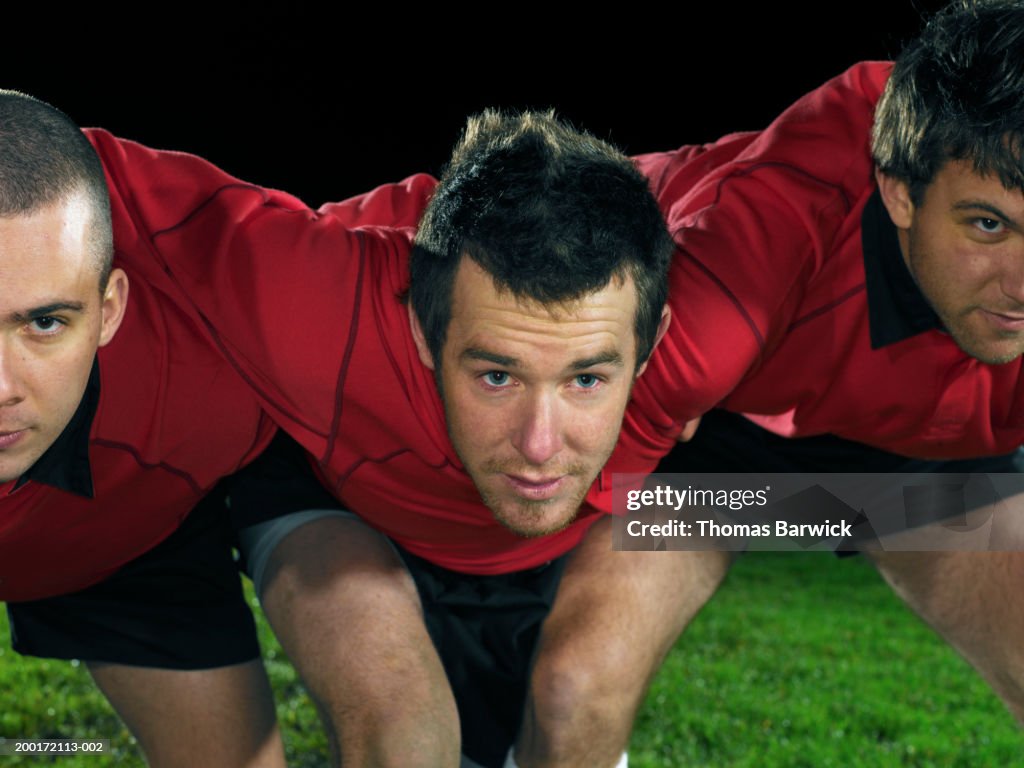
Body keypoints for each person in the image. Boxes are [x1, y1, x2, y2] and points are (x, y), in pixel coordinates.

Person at [83, 109, 696, 768]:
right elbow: (88, 168)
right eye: (496, 374)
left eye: (586, 379)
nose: (539, 443)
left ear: (653, 345)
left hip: (598, 519)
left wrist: (801, 517)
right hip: (338, 500)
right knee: (404, 734)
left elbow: (815, 503)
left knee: (580, 693)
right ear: (422, 335)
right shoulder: (311, 306)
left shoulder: (711, 343)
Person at [0, 90, 439, 767]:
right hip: (102, 551)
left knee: (480, 709)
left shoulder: (223, 258)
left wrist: (642, 511)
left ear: (111, 307)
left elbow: (496, 226)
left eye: (44, 323)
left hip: (282, 460)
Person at [618, 0, 1024, 723]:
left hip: (916, 460)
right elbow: (535, 489)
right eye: (988, 225)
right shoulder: (745, 262)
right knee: (569, 686)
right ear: (901, 192)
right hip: (715, 445)